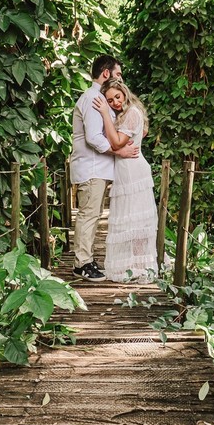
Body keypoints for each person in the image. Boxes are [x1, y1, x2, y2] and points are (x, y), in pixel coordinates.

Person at [70, 55, 139, 281]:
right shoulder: (93, 98)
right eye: (118, 74)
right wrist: (119, 151)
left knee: (93, 214)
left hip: (97, 168)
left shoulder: (100, 98)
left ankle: (86, 259)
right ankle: (82, 263)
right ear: (106, 73)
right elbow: (93, 137)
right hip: (91, 168)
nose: (121, 79)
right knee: (88, 215)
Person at [92, 78, 158, 283]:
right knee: (130, 221)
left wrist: (105, 113)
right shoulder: (125, 114)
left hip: (134, 172)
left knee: (136, 221)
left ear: (124, 92)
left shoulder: (132, 113)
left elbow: (116, 142)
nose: (115, 103)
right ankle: (133, 265)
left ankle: (139, 267)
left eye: (117, 97)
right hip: (125, 171)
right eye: (110, 101)